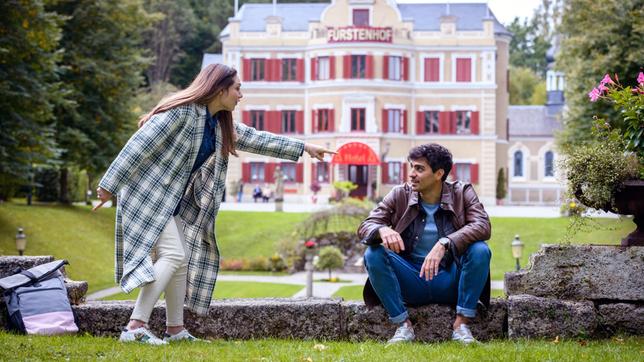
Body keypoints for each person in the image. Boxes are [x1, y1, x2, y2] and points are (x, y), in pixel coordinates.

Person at [93, 63, 335, 345]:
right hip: (147, 195)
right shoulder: (181, 112)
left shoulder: (218, 123)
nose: (241, 95)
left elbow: (257, 139)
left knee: (180, 260)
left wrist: (304, 147)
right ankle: (135, 327)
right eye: (237, 89)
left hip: (171, 200)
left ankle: (175, 330)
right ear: (220, 90)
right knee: (173, 255)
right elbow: (138, 145)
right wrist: (108, 185)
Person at [357, 143, 491, 344]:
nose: (411, 174)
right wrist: (381, 229)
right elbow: (366, 226)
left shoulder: (462, 193)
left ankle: (461, 326)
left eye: (419, 169)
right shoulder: (400, 193)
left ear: (439, 174)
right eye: (412, 167)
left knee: (480, 250)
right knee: (373, 253)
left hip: (450, 280)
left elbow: (483, 225)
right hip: (411, 279)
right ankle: (403, 326)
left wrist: (445, 242)